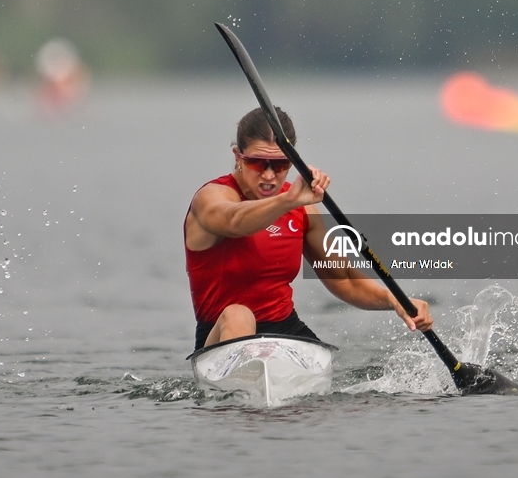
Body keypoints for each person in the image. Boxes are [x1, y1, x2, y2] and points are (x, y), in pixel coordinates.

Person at [185, 107, 433, 350]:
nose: (270, 175)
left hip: (284, 331)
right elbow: (234, 221)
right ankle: (241, 378)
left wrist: (395, 300)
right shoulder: (210, 199)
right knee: (238, 315)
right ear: (238, 157)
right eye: (258, 163)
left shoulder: (302, 208)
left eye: (281, 164)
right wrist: (287, 201)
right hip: (223, 335)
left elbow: (344, 278)